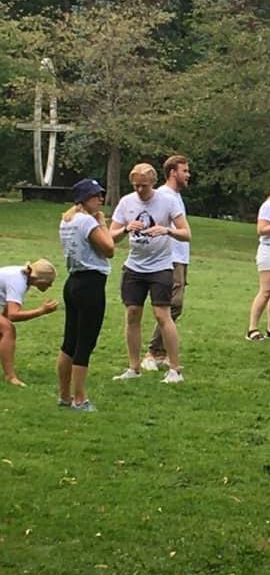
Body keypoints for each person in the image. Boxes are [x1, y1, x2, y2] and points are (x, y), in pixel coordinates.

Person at [109, 162, 191, 383]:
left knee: (162, 314)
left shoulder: (167, 201)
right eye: (136, 185)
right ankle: (133, 368)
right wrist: (125, 229)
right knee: (132, 314)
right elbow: (111, 236)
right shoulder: (126, 202)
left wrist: (167, 230)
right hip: (134, 267)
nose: (139, 190)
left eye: (143, 185)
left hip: (160, 267)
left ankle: (174, 369)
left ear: (153, 182)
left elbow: (186, 233)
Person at [57, 179, 114, 410]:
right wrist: (103, 224)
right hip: (91, 284)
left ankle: (64, 395)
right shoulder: (87, 221)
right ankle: (80, 398)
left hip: (72, 282)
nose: (100, 199)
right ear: (83, 199)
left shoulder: (67, 220)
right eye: (95, 196)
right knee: (85, 342)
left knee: (69, 341)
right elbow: (109, 249)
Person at [142, 155, 191, 371]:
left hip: (180, 257)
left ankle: (159, 352)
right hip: (169, 258)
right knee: (172, 304)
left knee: (173, 305)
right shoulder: (163, 195)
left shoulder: (175, 196)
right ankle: (153, 352)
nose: (188, 175)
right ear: (173, 172)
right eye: (184, 171)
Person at [0, 259, 57, 387]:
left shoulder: (22, 278)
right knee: (8, 329)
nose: (50, 286)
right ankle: (10, 377)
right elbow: (13, 315)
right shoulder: (18, 281)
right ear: (39, 279)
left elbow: (7, 312)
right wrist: (41, 311)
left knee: (3, 328)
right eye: (49, 282)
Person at [246, 176, 270, 341]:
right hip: (269, 250)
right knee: (267, 290)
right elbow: (261, 229)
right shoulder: (269, 206)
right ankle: (252, 328)